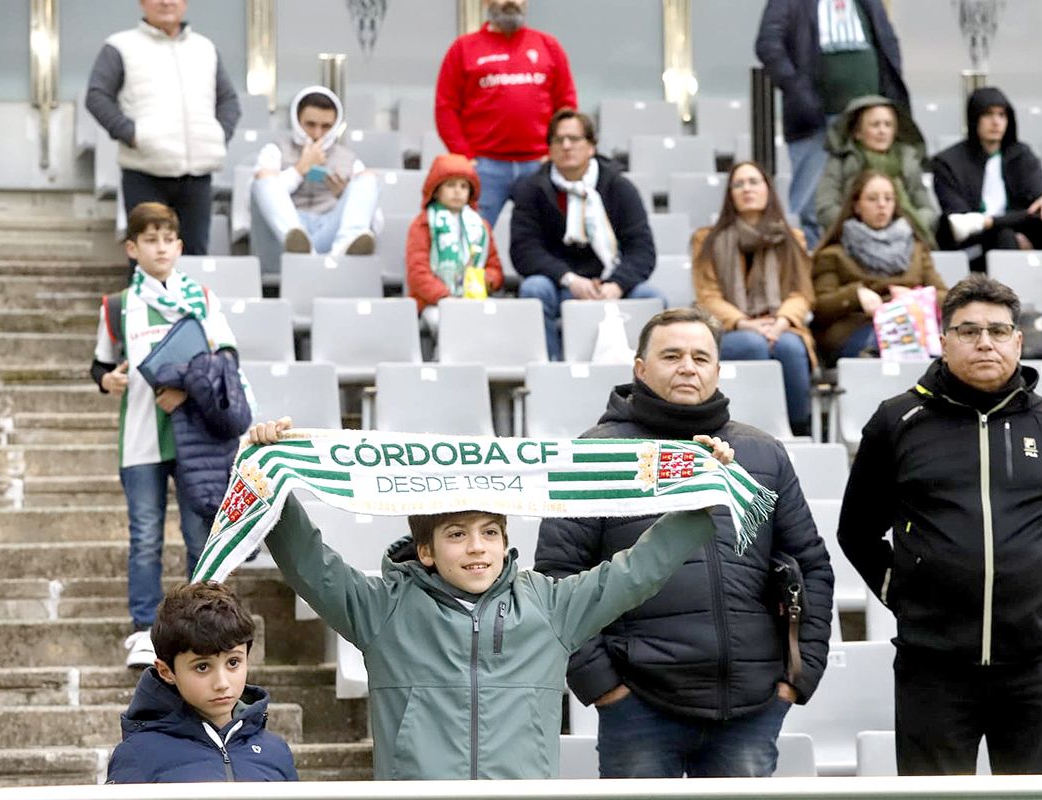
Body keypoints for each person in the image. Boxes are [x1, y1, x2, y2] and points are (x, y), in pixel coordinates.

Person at [245, 416, 736, 780]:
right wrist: (272, 481)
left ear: (505, 541)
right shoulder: (381, 608)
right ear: (427, 551)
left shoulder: (550, 605)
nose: (477, 547)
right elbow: (310, 564)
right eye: (456, 534)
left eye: (489, 532)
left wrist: (700, 498)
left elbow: (637, 572)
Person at [535, 307, 835, 778]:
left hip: (751, 708)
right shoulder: (595, 454)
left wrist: (798, 678)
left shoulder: (763, 453)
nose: (687, 367)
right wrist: (603, 686)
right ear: (640, 369)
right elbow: (556, 579)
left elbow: (812, 566)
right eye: (671, 355)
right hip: (636, 706)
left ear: (717, 369)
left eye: (700, 356)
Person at [838, 273, 1042, 775]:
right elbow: (857, 531)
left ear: (1018, 341)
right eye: (968, 330)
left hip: (1035, 665)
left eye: (998, 331)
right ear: (944, 339)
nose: (985, 343)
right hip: (933, 669)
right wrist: (904, 589)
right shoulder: (896, 421)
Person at [91, 202, 239, 668]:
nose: (160, 248)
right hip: (140, 436)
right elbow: (99, 363)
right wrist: (105, 380)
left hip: (198, 439)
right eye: (149, 240)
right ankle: (142, 629)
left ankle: (205, 627)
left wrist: (184, 388)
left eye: (167, 239)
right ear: (133, 248)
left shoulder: (203, 298)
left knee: (200, 534)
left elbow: (227, 357)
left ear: (179, 245)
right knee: (145, 536)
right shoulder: (119, 306)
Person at [86, 0, 240, 260]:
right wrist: (132, 135)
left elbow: (229, 101)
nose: (167, 2)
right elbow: (97, 96)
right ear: (142, 3)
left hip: (198, 175)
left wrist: (217, 136)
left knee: (193, 258)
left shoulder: (205, 48)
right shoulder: (120, 46)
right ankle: (142, 304)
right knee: (146, 258)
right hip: (145, 171)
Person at [106, 582, 298, 783]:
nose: (222, 683)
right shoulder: (138, 755)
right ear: (166, 671)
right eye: (202, 667)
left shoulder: (276, 752)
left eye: (233, 662)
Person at [512, 108, 663, 361]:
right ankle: (551, 370)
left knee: (652, 298)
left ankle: (648, 379)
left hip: (611, 283)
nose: (567, 146)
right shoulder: (531, 189)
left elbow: (642, 250)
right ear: (549, 149)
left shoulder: (618, 186)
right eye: (559, 140)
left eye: (575, 139)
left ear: (591, 146)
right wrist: (570, 279)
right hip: (561, 284)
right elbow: (524, 250)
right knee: (533, 288)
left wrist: (616, 283)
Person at [755, 0, 910, 245]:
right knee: (811, 206)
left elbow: (888, 44)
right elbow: (768, 45)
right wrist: (799, 92)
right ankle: (813, 270)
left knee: (874, 201)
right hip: (814, 120)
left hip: (868, 119)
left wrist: (888, 100)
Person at [692, 161, 818, 436]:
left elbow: (802, 291)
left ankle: (798, 432)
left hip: (781, 325)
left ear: (768, 190)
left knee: (791, 348)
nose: (747, 189)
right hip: (731, 328)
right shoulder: (707, 240)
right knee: (752, 345)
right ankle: (748, 429)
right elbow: (707, 296)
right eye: (739, 184)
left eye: (754, 182)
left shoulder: (791, 238)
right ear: (731, 195)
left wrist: (782, 321)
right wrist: (744, 323)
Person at [435, 0, 577, 226]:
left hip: (539, 165)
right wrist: (465, 157)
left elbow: (566, 105)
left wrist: (555, 152)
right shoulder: (463, 49)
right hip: (484, 167)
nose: (511, 2)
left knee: (546, 242)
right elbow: (446, 108)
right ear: (485, 3)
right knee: (472, 242)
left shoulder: (548, 46)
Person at [933, 87, 1042, 271]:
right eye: (988, 115)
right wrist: (1001, 226)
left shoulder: (1020, 154)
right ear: (974, 118)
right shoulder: (947, 162)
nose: (996, 122)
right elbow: (962, 222)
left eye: (1002, 115)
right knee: (1005, 236)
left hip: (1020, 228)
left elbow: (1039, 193)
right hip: (975, 243)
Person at [813, 170, 947, 361]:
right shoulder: (833, 254)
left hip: (914, 326)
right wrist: (855, 296)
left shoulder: (916, 250)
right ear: (856, 206)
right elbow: (819, 307)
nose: (882, 205)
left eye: (888, 198)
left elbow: (947, 298)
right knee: (888, 345)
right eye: (872, 199)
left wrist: (915, 297)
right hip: (859, 327)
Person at [252, 86, 379, 267]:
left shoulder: (350, 160)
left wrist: (344, 194)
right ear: (297, 121)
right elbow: (260, 197)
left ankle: (346, 244)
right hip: (282, 236)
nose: (317, 134)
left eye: (326, 127)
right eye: (310, 125)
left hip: (329, 230)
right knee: (264, 178)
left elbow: (376, 223)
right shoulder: (274, 151)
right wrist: (300, 169)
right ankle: (299, 244)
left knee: (368, 178)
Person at [815, 95, 935, 243]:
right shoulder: (841, 161)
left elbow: (927, 209)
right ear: (858, 132)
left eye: (888, 125)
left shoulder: (908, 161)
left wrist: (906, 227)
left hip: (906, 241)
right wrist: (858, 229)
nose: (882, 131)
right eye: (875, 125)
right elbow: (825, 208)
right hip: (850, 242)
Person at [406, 154, 505, 333]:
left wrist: (485, 280)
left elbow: (495, 268)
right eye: (450, 185)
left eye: (463, 186)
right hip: (435, 302)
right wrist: (445, 296)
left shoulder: (481, 227)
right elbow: (417, 272)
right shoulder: (423, 224)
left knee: (497, 319)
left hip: (475, 299)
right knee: (448, 324)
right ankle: (445, 358)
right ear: (436, 190)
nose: (458, 191)